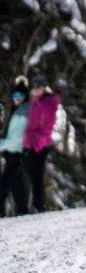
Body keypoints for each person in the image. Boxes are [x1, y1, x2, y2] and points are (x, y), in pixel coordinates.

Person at [22, 74, 60, 212]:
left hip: (41, 144)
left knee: (37, 174)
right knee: (29, 172)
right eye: (34, 87)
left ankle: (38, 205)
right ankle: (33, 205)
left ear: (44, 88)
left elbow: (47, 126)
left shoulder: (49, 102)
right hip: (29, 143)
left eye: (39, 87)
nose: (36, 89)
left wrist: (38, 142)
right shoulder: (32, 100)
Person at [1, 77, 30, 215]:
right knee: (16, 183)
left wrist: (2, 144)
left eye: (20, 96)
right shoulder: (16, 111)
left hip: (19, 152)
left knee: (4, 184)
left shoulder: (24, 112)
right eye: (15, 96)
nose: (17, 99)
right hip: (13, 153)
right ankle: (23, 210)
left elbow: (16, 138)